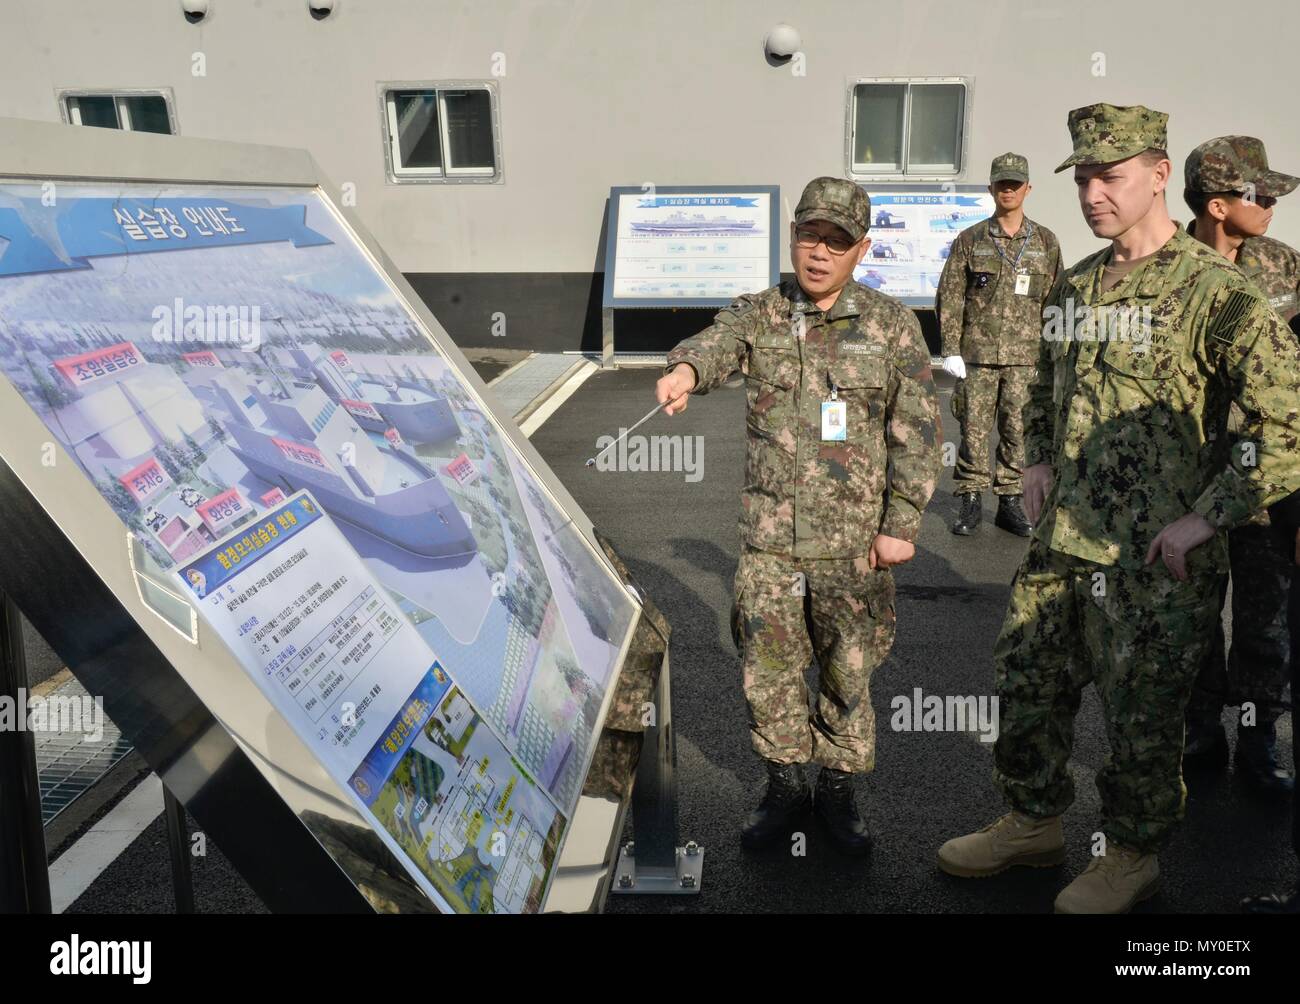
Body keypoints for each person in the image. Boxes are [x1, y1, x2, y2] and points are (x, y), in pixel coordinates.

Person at [935, 103, 1300, 913]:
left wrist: (1210, 515)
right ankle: (1032, 822)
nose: (1094, 193)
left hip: (1155, 557)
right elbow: (1037, 375)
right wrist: (1031, 455)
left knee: (1143, 715)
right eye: (1085, 178)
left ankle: (1132, 855)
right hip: (1064, 543)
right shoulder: (1076, 283)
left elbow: (1286, 417)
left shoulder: (1217, 293)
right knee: (1026, 680)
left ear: (1160, 175)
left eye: (1112, 176)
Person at [656, 177, 940, 855]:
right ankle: (784, 783)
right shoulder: (761, 314)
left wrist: (901, 526)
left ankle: (838, 788)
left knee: (848, 672)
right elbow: (716, 343)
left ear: (861, 249)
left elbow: (918, 432)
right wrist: (685, 373)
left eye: (837, 241)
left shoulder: (892, 326)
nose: (819, 252)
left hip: (853, 550)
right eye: (810, 235)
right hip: (771, 547)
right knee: (769, 671)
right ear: (793, 238)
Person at [1180, 135, 1300, 797]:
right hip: (1189, 481)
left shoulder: (1285, 268)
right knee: (1193, 620)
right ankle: (1200, 730)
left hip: (1263, 485)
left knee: (1264, 624)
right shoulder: (1166, 271)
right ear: (1219, 204)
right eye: (1261, 192)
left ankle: (1257, 742)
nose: (1275, 201)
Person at [937, 152, 1062, 537]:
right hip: (977, 356)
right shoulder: (970, 240)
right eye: (1001, 183)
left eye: (1015, 183)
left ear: (1028, 188)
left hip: (1026, 358)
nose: (1008, 189)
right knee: (973, 429)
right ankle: (971, 498)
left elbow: (1056, 300)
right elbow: (951, 296)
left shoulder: (1045, 242)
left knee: (1017, 430)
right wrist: (950, 348)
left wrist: (1054, 352)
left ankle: (1010, 500)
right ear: (991, 188)